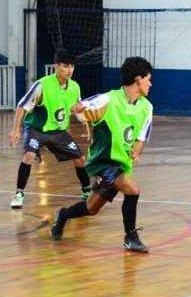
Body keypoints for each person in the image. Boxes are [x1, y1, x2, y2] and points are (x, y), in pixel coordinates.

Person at [50, 56, 153, 253]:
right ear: (138, 79)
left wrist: (136, 151)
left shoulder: (147, 108)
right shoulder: (108, 99)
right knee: (132, 189)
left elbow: (141, 137)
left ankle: (62, 215)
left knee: (91, 208)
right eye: (148, 78)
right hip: (102, 161)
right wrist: (80, 110)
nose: (150, 83)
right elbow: (82, 108)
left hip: (121, 164)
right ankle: (130, 237)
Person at [8, 50, 90, 209]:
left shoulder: (74, 87)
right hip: (37, 129)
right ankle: (19, 193)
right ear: (56, 66)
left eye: (72, 66)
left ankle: (87, 190)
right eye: (66, 66)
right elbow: (22, 106)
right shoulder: (42, 85)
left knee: (80, 159)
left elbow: (76, 109)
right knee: (29, 155)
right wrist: (16, 130)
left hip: (58, 131)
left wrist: (85, 122)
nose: (70, 70)